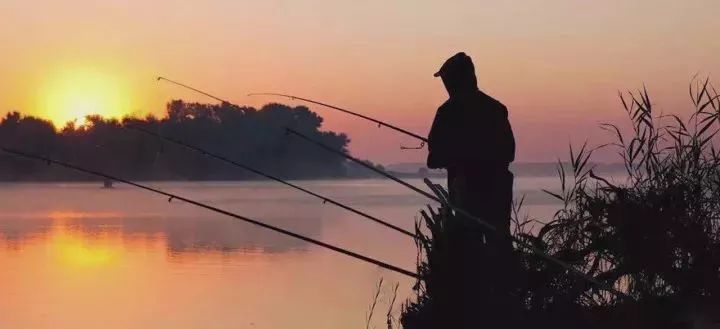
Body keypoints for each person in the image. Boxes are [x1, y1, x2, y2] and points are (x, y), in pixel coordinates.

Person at [426, 52, 518, 328]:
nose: (445, 85)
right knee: (500, 241)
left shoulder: (448, 111)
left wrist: (456, 154)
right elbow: (509, 152)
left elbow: (434, 159)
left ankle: (472, 307)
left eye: (446, 79)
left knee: (468, 246)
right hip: (499, 188)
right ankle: (507, 299)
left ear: (456, 80)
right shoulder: (496, 108)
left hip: (466, 189)